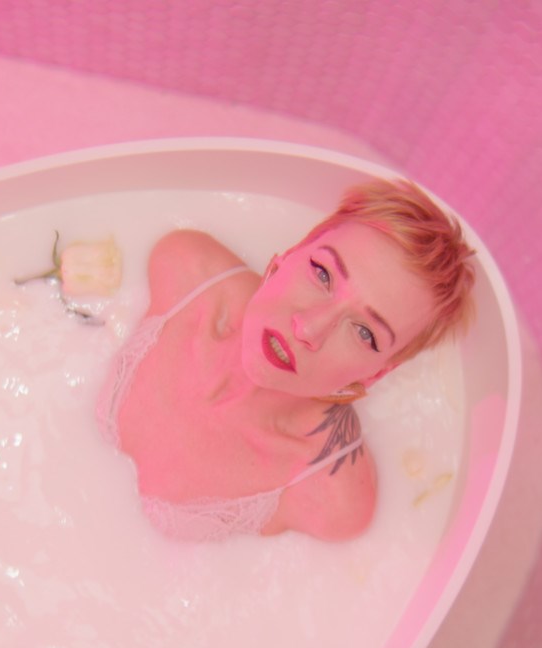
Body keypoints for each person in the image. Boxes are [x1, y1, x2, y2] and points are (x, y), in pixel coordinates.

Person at [98, 179, 476, 542]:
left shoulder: (330, 494)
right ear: (288, 256)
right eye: (322, 274)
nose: (309, 328)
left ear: (375, 374)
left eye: (364, 333)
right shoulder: (187, 270)